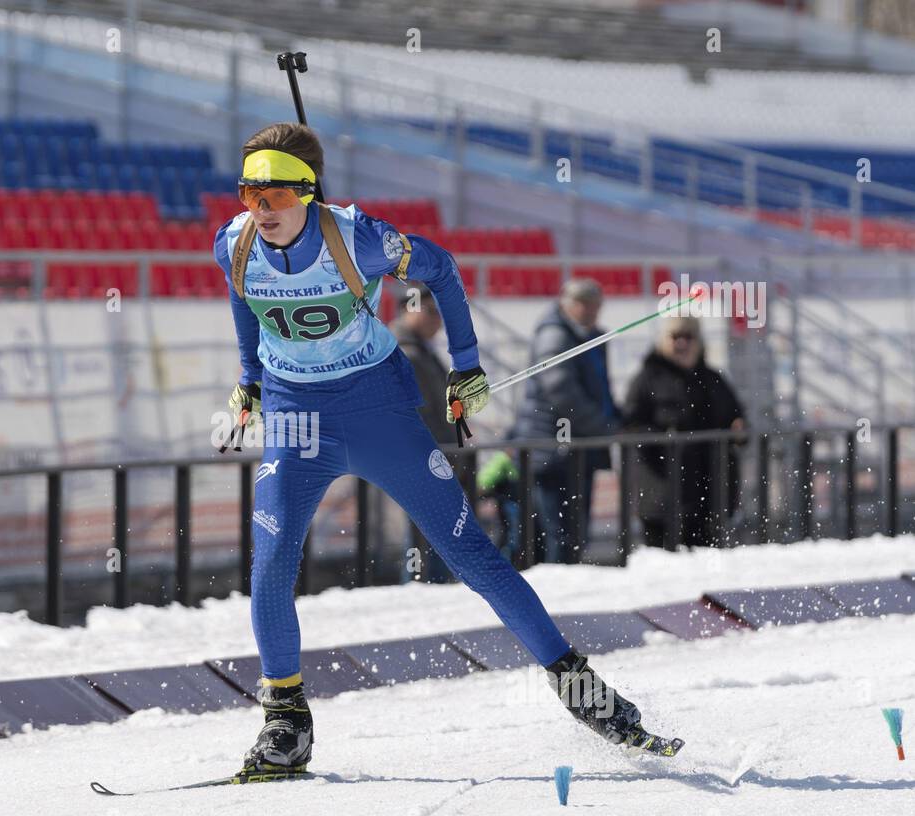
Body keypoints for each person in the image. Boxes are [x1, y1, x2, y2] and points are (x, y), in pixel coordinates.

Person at [214, 123, 680, 778]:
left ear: (308, 191)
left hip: (376, 410)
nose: (261, 213)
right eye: (249, 196)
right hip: (296, 416)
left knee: (468, 552)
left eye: (276, 197)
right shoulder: (233, 243)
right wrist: (249, 378)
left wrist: (466, 367)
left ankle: (581, 689)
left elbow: (443, 271)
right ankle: (285, 722)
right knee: (271, 557)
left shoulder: (361, 237)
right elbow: (242, 298)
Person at [510, 278, 620, 564]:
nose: (590, 310)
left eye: (595, 304)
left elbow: (598, 390)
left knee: (573, 532)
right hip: (553, 448)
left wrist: (615, 419)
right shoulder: (556, 335)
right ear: (565, 302)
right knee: (559, 533)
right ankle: (554, 600)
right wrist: (603, 427)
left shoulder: (587, 335)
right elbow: (561, 391)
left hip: (574, 447)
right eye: (582, 303)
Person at [622, 314, 746, 548]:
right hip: (663, 496)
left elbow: (737, 419)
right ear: (663, 340)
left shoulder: (713, 379)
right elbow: (630, 426)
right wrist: (665, 440)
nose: (682, 343)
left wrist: (739, 431)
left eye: (688, 337)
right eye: (675, 336)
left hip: (711, 496)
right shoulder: (647, 379)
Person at [393, 282, 455, 583]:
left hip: (432, 456)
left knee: (433, 534)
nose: (438, 320)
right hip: (422, 459)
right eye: (431, 312)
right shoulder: (407, 353)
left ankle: (429, 586)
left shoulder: (420, 351)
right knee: (422, 535)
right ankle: (420, 589)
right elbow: (419, 415)